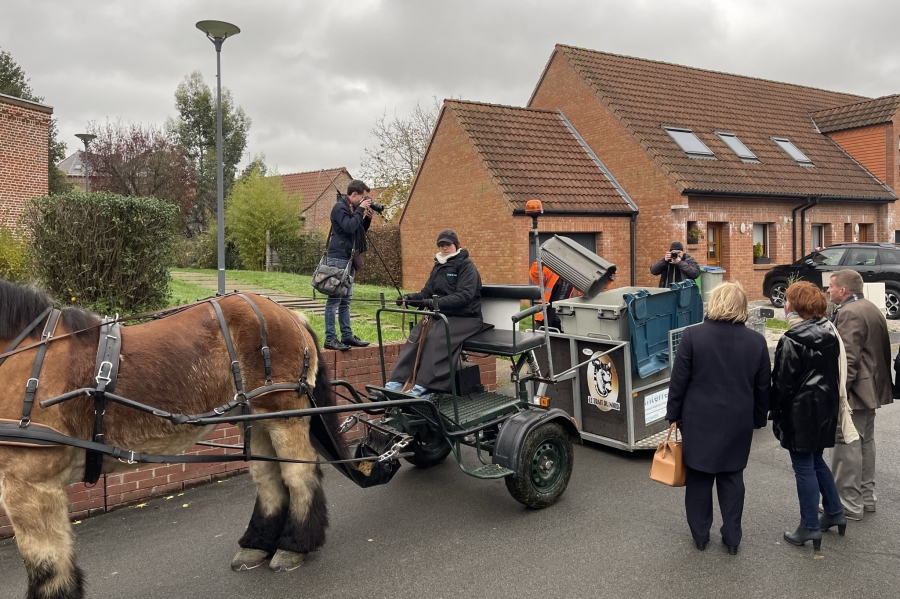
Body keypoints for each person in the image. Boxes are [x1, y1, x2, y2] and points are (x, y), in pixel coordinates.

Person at [665, 282, 770, 555]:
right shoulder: (756, 342)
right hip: (738, 419)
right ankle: (732, 536)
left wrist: (672, 415)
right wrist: (759, 418)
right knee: (732, 477)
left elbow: (679, 381)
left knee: (699, 477)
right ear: (742, 307)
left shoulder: (692, 336)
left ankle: (700, 535)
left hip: (698, 418)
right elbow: (762, 387)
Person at [770, 281, 844, 551]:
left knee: (803, 467)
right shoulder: (829, 331)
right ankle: (835, 510)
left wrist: (772, 408)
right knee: (816, 461)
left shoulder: (791, 339)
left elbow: (782, 383)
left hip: (800, 411)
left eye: (787, 300)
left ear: (795, 306)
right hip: (825, 406)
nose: (784, 304)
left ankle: (810, 525)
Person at [385, 230, 484, 397]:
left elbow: (465, 295)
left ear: (457, 245)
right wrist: (410, 299)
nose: (444, 248)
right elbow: (427, 293)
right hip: (442, 316)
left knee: (436, 337)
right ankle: (394, 384)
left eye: (448, 245)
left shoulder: (467, 266)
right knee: (417, 333)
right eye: (441, 245)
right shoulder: (438, 267)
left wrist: (433, 303)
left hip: (467, 317)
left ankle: (424, 389)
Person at [827, 269, 892, 520]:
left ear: (843, 290)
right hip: (871, 387)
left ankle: (849, 504)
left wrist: (838, 393)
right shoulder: (870, 307)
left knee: (847, 448)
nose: (829, 290)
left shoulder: (849, 313)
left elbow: (848, 360)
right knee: (865, 444)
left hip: (855, 391)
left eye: (831, 286)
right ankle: (866, 498)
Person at [323, 180, 373, 351]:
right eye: (362, 197)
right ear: (353, 195)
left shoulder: (352, 209)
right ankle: (330, 338)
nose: (364, 201)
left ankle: (347, 335)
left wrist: (367, 218)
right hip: (338, 259)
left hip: (349, 258)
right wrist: (360, 210)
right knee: (334, 300)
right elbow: (349, 227)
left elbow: (358, 230)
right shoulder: (340, 208)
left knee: (346, 301)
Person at [528, 262, 617, 331]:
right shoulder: (552, 269)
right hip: (545, 318)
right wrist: (540, 263)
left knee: (561, 349)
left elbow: (596, 287)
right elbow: (535, 275)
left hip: (567, 321)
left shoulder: (581, 276)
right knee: (540, 350)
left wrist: (607, 279)